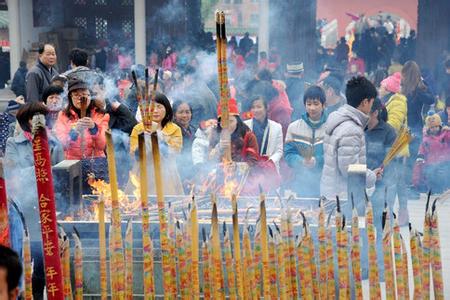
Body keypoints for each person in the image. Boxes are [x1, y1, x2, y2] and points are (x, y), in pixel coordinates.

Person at [4, 102, 64, 298]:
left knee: (43, 261)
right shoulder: (14, 143)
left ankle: (38, 294)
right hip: (23, 207)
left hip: (47, 207)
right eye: (34, 117)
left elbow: (61, 172)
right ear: (25, 121)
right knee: (24, 256)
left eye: (42, 117)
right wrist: (41, 169)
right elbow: (13, 174)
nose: (39, 121)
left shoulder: (53, 142)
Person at [320, 76, 382, 206]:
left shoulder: (336, 117)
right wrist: (372, 177)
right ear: (365, 102)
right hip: (343, 199)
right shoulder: (351, 129)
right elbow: (350, 170)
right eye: (371, 102)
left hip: (330, 193)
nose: (371, 106)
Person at [54, 79, 110, 193]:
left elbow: (102, 144)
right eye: (76, 95)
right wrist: (75, 131)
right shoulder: (63, 115)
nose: (81, 98)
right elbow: (63, 143)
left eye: (84, 94)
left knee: (98, 201)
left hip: (97, 165)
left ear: (90, 96)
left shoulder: (101, 114)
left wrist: (94, 128)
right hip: (73, 165)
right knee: (75, 202)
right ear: (70, 97)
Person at [129, 92, 184, 195]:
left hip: (166, 177)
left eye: (159, 107)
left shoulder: (175, 129)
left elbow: (174, 152)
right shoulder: (138, 128)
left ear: (166, 109)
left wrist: (159, 138)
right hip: (142, 175)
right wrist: (143, 141)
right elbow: (134, 154)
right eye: (152, 107)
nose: (155, 111)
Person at [209, 99, 260, 195]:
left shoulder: (248, 136)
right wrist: (219, 148)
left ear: (237, 120)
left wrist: (237, 166)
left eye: (231, 121)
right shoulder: (215, 136)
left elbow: (254, 162)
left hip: (244, 183)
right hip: (220, 181)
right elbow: (209, 161)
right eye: (224, 122)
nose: (227, 125)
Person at [379, 72, 410, 225]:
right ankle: (395, 212)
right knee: (397, 182)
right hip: (391, 149)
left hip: (396, 150)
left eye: (382, 86)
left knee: (395, 182)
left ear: (389, 88)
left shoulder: (398, 102)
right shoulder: (388, 101)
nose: (379, 88)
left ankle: (393, 213)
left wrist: (377, 128)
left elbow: (393, 125)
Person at [284, 86, 327, 197]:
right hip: (300, 184)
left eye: (316, 104)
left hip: (325, 184)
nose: (312, 108)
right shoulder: (294, 128)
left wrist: (317, 161)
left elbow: (334, 155)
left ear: (324, 105)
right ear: (304, 105)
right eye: (309, 104)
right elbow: (288, 154)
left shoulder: (331, 127)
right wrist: (301, 161)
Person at [401, 61, 435, 198]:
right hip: (412, 125)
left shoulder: (416, 86)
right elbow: (431, 99)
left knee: (407, 158)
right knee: (410, 157)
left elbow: (431, 100)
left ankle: (406, 186)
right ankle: (407, 186)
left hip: (408, 126)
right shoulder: (409, 86)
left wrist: (420, 88)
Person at [244, 95, 283, 171]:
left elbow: (279, 151)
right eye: (253, 107)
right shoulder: (244, 126)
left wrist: (270, 162)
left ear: (266, 108)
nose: (256, 110)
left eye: (259, 107)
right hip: (249, 169)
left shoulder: (276, 127)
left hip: (269, 169)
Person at [414, 113, 450, 193]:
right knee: (430, 174)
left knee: (444, 174)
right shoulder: (426, 138)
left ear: (440, 125)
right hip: (431, 162)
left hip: (445, 161)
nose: (434, 129)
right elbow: (422, 149)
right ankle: (432, 188)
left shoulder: (446, 134)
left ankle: (445, 187)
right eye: (432, 127)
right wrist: (420, 157)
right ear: (428, 128)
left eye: (436, 126)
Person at [173, 100, 196, 192]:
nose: (184, 116)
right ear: (174, 115)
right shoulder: (172, 131)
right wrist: (182, 179)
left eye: (187, 112)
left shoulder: (194, 130)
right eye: (180, 112)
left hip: (193, 174)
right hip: (179, 176)